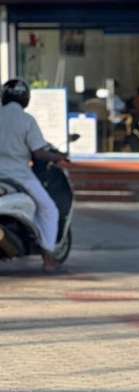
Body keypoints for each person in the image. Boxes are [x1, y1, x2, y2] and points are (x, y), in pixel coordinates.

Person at [0, 79, 68, 271]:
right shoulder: (27, 120)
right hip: (20, 176)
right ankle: (48, 258)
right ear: (25, 98)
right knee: (49, 210)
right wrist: (57, 156)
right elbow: (38, 152)